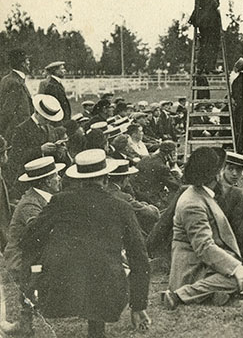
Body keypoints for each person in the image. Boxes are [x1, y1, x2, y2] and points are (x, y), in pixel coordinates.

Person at [21, 149, 150, 337]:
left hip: (61, 282)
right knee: (100, 267)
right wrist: (138, 306)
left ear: (79, 179)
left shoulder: (60, 201)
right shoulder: (121, 207)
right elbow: (139, 257)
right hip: (109, 287)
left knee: (86, 266)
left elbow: (29, 238)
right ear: (106, 178)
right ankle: (96, 329)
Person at [159, 147, 243, 311]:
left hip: (207, 266)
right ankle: (181, 295)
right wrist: (236, 268)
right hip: (194, 270)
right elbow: (204, 247)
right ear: (215, 175)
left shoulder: (201, 194)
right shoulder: (193, 204)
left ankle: (214, 292)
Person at [0, 157, 64, 337]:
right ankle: (25, 321)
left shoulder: (43, 198)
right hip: (22, 258)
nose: (59, 178)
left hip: (35, 254)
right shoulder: (31, 204)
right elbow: (40, 234)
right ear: (46, 181)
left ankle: (26, 321)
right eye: (55, 175)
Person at [7, 94, 66, 202]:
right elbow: (16, 156)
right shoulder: (21, 129)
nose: (48, 121)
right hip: (29, 180)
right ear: (37, 113)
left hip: (47, 180)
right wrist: (40, 150)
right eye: (45, 118)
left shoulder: (50, 129)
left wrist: (58, 150)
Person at [189, 0, 222, 74]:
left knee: (205, 43)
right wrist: (215, 6)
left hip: (203, 19)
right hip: (209, 19)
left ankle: (201, 67)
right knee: (212, 42)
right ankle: (210, 66)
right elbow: (211, 2)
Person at [130, 140, 181, 210]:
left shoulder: (146, 158)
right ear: (171, 154)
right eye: (175, 153)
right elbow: (177, 185)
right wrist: (173, 168)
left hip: (138, 195)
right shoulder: (162, 167)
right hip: (152, 199)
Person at [0, 49, 33, 141]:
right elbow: (8, 111)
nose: (29, 63)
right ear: (22, 63)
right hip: (17, 132)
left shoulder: (8, 79)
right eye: (27, 60)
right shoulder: (15, 83)